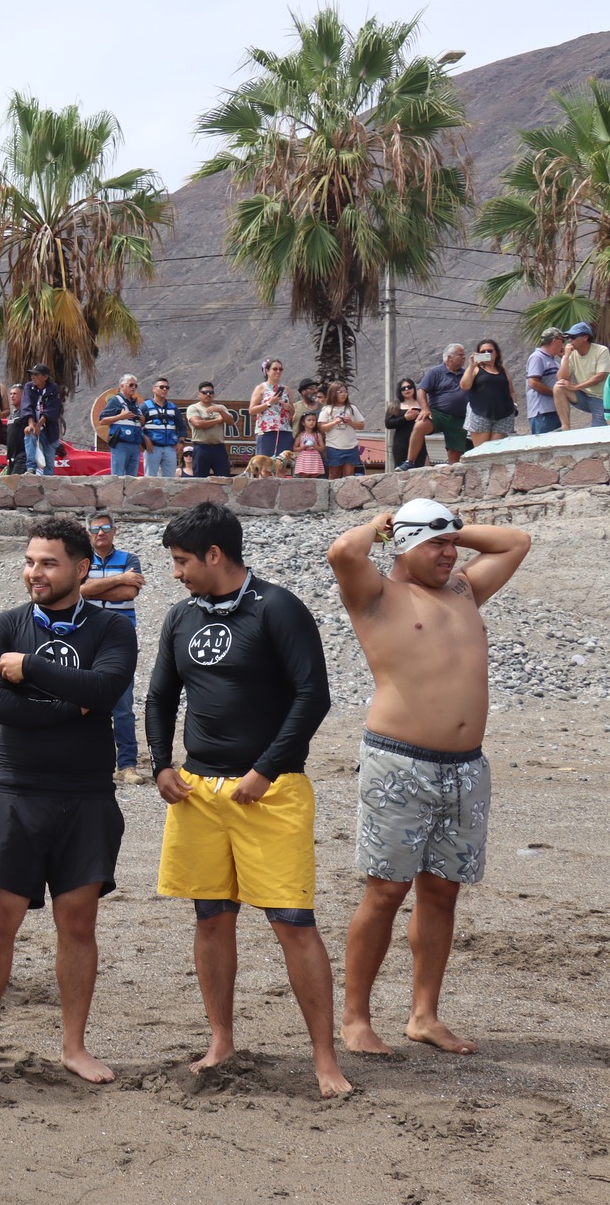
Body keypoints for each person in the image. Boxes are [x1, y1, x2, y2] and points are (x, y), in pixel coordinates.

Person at [145, 502, 350, 1099]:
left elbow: (313, 696)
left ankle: (325, 1059)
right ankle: (221, 1040)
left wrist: (265, 770)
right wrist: (160, 764)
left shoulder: (278, 608)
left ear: (215, 554)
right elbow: (159, 697)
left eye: (183, 561)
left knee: (292, 922)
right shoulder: (181, 617)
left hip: (272, 793)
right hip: (198, 793)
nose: (176, 572)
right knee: (211, 917)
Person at [329, 500, 530, 1059]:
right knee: (386, 892)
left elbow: (516, 540)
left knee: (442, 892)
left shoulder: (464, 591)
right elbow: (344, 551)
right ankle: (356, 1018)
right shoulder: (376, 597)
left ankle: (424, 1016)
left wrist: (452, 526)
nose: (449, 554)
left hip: (465, 767)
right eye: (435, 545)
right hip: (399, 762)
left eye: (453, 545)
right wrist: (381, 523)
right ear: (401, 545)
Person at [0, 516, 136, 1083]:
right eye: (31, 561)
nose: (35, 571)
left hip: (87, 794)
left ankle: (74, 1046)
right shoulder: (3, 626)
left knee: (78, 923)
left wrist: (31, 670)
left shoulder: (112, 629)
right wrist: (73, 704)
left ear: (82, 569)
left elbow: (107, 690)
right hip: (18, 791)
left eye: (48, 562)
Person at [79, 514, 144, 785]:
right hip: (87, 635)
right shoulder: (82, 561)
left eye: (106, 527)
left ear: (114, 531)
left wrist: (93, 589)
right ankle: (92, 762)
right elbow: (78, 591)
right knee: (85, 701)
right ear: (89, 533)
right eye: (95, 528)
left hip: (120, 637)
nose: (101, 532)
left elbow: (129, 593)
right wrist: (119, 579)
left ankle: (127, 765)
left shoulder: (131, 559)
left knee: (123, 704)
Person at [403, 345, 469, 467]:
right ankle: (409, 462)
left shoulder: (466, 374)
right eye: (460, 355)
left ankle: (453, 476)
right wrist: (425, 409)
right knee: (420, 426)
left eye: (464, 355)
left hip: (458, 418)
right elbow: (421, 391)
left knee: (455, 455)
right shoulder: (435, 372)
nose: (464, 357)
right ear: (450, 357)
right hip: (438, 414)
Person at [461, 338, 516, 448]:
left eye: (490, 351)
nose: (486, 353)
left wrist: (514, 405)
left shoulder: (502, 369)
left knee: (495, 450)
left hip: (503, 415)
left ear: (496, 353)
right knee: (482, 451)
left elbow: (511, 390)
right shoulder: (476, 368)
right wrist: (471, 366)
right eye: (482, 352)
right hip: (480, 413)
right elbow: (464, 386)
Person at [555, 322, 606, 428]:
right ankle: (565, 427)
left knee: (598, 433)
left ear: (585, 337)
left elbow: (601, 376)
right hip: (584, 396)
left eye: (573, 337)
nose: (569, 340)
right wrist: (566, 356)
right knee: (559, 386)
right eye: (568, 337)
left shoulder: (601, 351)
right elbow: (561, 378)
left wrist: (575, 387)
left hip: (601, 399)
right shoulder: (571, 354)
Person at [93, 376, 146, 477]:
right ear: (122, 386)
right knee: (118, 475)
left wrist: (142, 421)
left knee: (132, 477)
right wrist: (121, 416)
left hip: (135, 444)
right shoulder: (115, 401)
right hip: (120, 443)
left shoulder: (135, 404)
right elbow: (102, 420)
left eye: (135, 385)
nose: (133, 387)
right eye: (131, 385)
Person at [18, 364, 63, 475]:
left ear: (45, 377)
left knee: (49, 462)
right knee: (29, 433)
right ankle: (31, 468)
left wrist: (39, 425)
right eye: (32, 374)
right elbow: (26, 404)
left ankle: (48, 483)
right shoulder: (29, 387)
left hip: (49, 430)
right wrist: (31, 424)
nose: (32, 377)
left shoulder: (53, 388)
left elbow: (52, 409)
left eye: (36, 375)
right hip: (33, 423)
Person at [317, 382, 367, 478]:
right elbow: (321, 428)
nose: (344, 394)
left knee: (349, 476)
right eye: (340, 392)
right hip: (334, 446)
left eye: (345, 391)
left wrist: (351, 422)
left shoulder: (352, 408)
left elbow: (361, 425)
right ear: (333, 393)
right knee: (334, 476)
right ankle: (332, 493)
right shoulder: (327, 409)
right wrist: (334, 422)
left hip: (351, 446)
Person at [248, 359, 295, 460]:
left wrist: (289, 408)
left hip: (284, 430)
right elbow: (251, 410)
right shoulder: (261, 388)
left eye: (280, 369)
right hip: (266, 431)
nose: (278, 371)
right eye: (275, 369)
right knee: (265, 466)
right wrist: (269, 403)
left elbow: (293, 412)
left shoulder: (286, 389)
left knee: (282, 465)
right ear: (267, 371)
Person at [186, 383, 234, 478]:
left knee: (224, 478)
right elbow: (198, 424)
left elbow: (231, 422)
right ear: (199, 394)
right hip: (201, 447)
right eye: (204, 392)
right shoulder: (194, 408)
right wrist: (218, 420)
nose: (208, 394)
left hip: (218, 448)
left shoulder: (221, 408)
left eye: (211, 392)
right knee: (200, 478)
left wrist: (220, 411)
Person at [524, 327, 564, 435]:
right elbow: (533, 382)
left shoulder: (553, 360)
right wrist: (555, 393)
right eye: (562, 341)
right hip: (542, 412)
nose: (563, 345)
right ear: (554, 341)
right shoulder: (537, 357)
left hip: (555, 410)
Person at [141, 378, 183, 478]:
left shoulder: (173, 407)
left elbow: (181, 426)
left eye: (167, 387)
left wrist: (181, 442)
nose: (164, 389)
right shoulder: (145, 406)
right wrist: (145, 439)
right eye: (161, 387)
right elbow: (138, 426)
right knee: (150, 478)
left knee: (170, 479)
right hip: (152, 448)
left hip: (170, 448)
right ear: (154, 389)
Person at [385, 376, 425, 469]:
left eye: (409, 387)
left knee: (420, 471)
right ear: (399, 391)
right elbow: (388, 424)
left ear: (414, 388)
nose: (407, 389)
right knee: (401, 472)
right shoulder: (395, 405)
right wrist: (405, 418)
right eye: (403, 388)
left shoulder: (422, 404)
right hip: (401, 444)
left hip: (419, 443)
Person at [291, 410, 325, 476]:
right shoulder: (300, 435)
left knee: (314, 476)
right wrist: (303, 447)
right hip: (303, 458)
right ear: (303, 423)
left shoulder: (317, 435)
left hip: (314, 458)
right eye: (309, 420)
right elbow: (294, 448)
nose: (311, 422)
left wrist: (315, 446)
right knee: (303, 476)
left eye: (313, 420)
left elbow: (322, 448)